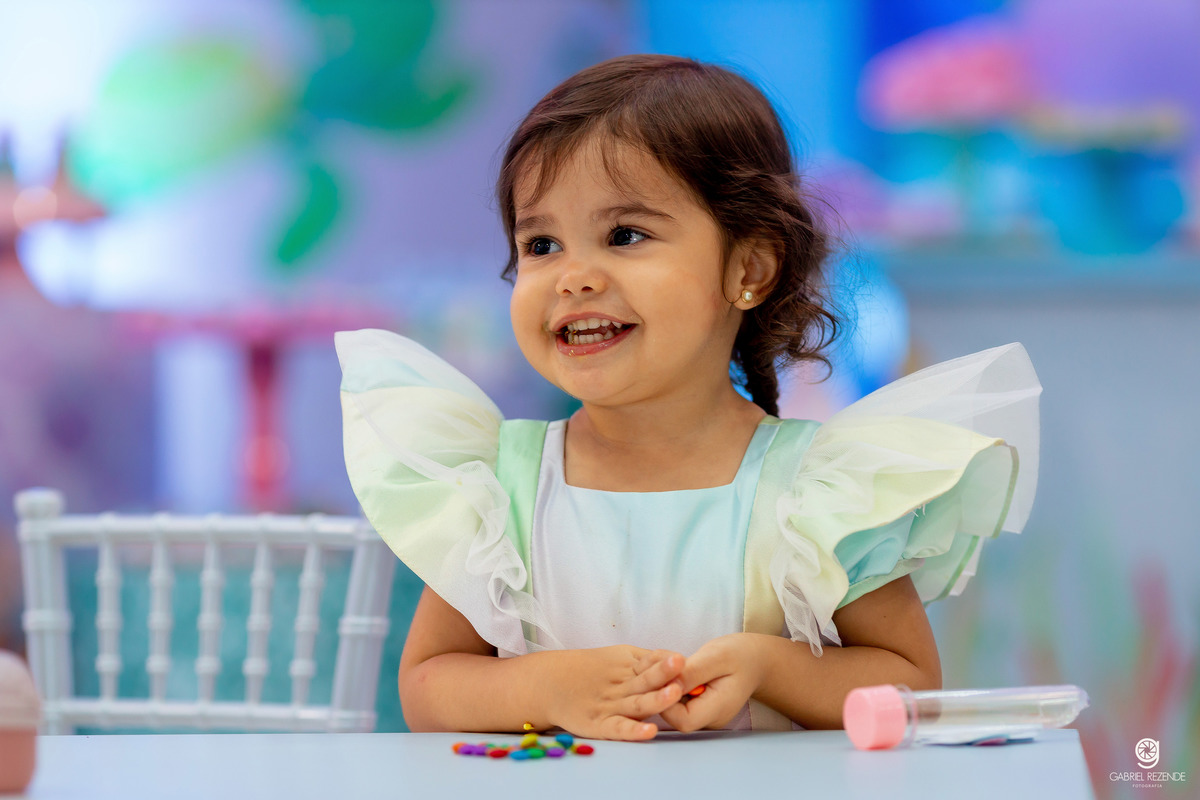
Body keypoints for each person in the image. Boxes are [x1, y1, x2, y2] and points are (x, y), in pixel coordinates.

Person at [336, 54, 1040, 741]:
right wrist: (546, 686)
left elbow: (911, 683)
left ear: (749, 269)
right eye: (542, 245)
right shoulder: (501, 486)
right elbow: (426, 686)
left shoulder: (815, 493)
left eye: (625, 235)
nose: (573, 276)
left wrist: (772, 668)